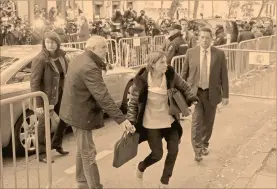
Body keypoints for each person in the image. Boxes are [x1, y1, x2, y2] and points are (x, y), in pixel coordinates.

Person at [59, 35, 135, 189]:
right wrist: (122, 119)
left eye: (107, 46)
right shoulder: (89, 67)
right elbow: (103, 96)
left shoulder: (81, 58)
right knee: (88, 152)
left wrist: (104, 66)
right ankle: (95, 186)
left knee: (83, 149)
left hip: (74, 110)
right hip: (80, 113)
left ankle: (81, 181)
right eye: (103, 47)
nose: (107, 50)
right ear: (92, 48)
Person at [127, 51, 198, 188]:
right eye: (162, 62)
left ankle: (164, 181)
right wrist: (130, 121)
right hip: (151, 123)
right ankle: (141, 167)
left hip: (170, 121)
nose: (166, 64)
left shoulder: (170, 75)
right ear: (152, 65)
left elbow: (184, 86)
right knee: (157, 154)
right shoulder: (141, 80)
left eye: (166, 61)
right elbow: (133, 103)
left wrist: (192, 99)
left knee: (173, 150)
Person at [181, 27, 229, 162]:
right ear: (198, 38)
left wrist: (226, 95)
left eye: (207, 38)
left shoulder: (219, 54)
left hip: (212, 93)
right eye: (202, 37)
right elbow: (184, 75)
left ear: (211, 39)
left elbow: (224, 75)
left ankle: (204, 144)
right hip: (195, 94)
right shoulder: (191, 53)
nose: (204, 40)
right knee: (196, 121)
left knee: (208, 122)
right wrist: (181, 93)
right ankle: (197, 150)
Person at [30, 31, 70, 163]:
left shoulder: (62, 56)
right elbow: (34, 82)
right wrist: (39, 103)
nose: (50, 45)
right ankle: (42, 153)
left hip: (61, 94)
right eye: (47, 42)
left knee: (65, 118)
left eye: (52, 42)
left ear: (57, 43)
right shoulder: (40, 59)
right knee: (44, 125)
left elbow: (66, 74)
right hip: (45, 96)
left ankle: (56, 144)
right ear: (44, 43)